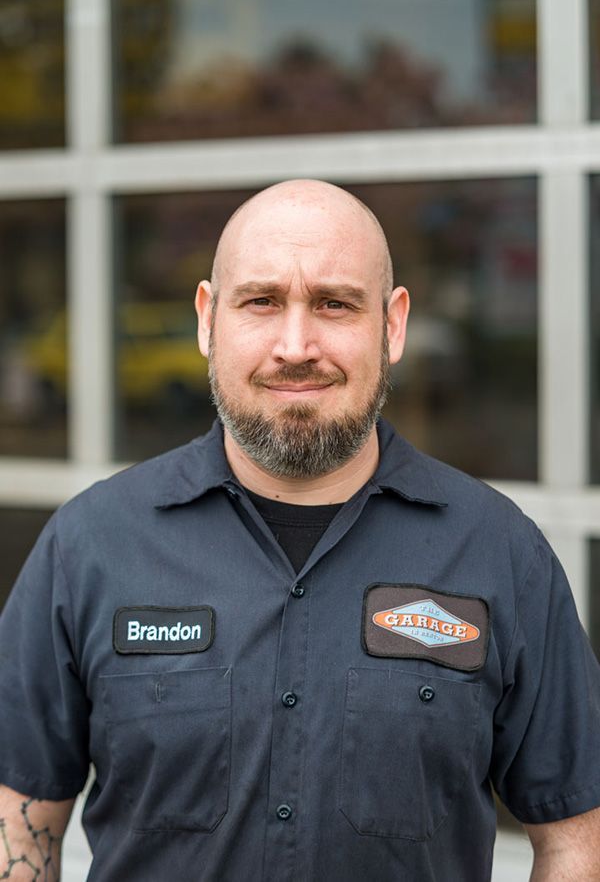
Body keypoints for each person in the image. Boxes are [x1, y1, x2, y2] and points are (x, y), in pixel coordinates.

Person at [1, 179, 599, 882]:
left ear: (393, 324)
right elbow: (20, 827)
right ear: (206, 318)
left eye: (334, 304)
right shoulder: (91, 546)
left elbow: (574, 840)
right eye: (260, 301)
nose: (296, 345)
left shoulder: (502, 553)